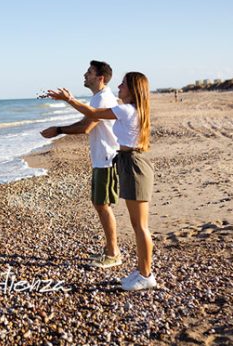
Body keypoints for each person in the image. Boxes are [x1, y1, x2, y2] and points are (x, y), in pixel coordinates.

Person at [46, 72, 157, 291]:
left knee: (140, 226)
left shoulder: (127, 110)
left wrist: (69, 99)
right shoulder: (132, 109)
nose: (119, 86)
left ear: (133, 89)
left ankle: (146, 275)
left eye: (123, 84)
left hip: (133, 165)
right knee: (137, 225)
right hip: (128, 162)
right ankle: (142, 270)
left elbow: (92, 113)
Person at [40, 61, 122, 268]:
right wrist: (60, 127)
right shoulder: (98, 97)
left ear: (100, 77)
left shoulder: (104, 98)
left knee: (102, 205)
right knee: (100, 204)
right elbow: (87, 121)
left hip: (107, 158)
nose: (85, 75)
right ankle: (109, 250)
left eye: (89, 72)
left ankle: (113, 253)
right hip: (101, 157)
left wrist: (58, 130)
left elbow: (86, 127)